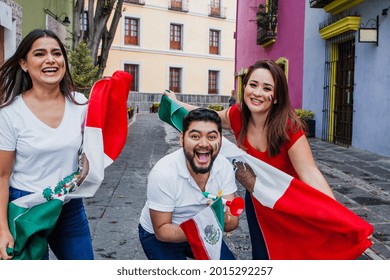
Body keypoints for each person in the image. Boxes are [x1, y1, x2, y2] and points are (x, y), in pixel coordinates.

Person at [163, 59, 335, 260]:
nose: (257, 93)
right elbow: (205, 117)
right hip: (258, 202)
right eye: (253, 85)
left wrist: (336, 214)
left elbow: (310, 173)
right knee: (262, 257)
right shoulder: (237, 115)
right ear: (244, 88)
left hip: (289, 206)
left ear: (276, 97)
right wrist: (175, 103)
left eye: (266, 88)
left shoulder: (288, 127)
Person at [0, 29, 93, 260]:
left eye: (57, 53)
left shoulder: (80, 104)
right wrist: (2, 228)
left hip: (67, 204)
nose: (50, 60)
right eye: (40, 54)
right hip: (26, 205)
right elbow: (2, 175)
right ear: (24, 63)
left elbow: (97, 147)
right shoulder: (10, 114)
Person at [138, 108, 239, 260]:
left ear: (220, 140)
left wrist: (222, 216)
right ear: (182, 138)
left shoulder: (224, 167)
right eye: (195, 136)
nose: (204, 143)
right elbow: (162, 231)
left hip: (204, 231)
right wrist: (206, 225)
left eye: (211, 137)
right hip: (162, 237)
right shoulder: (163, 172)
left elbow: (232, 223)